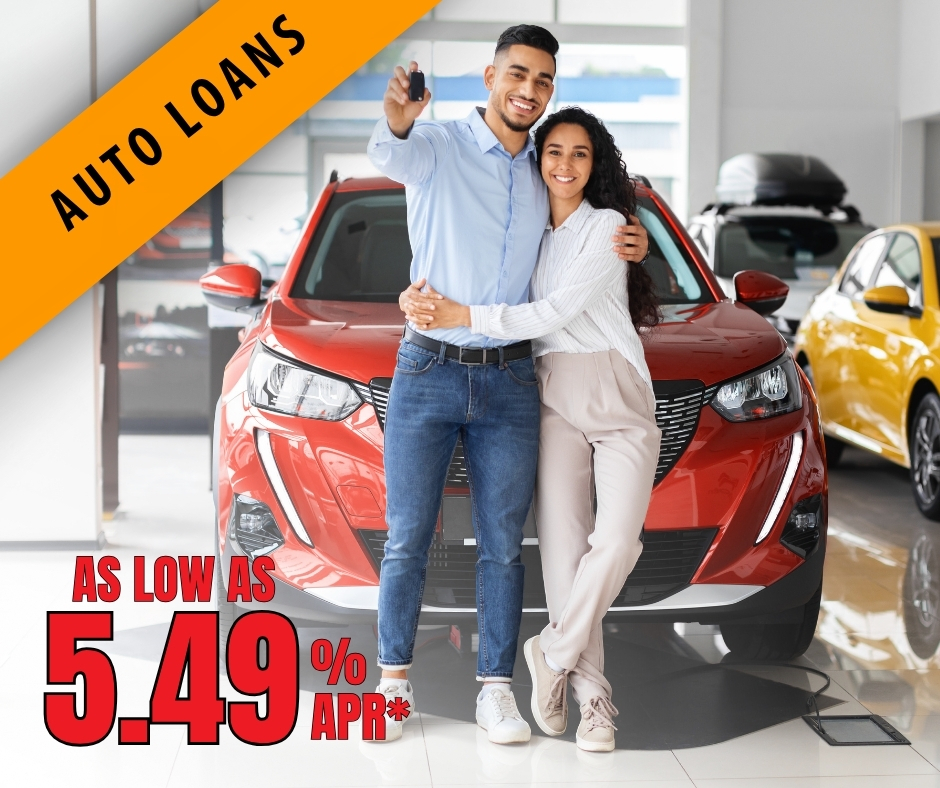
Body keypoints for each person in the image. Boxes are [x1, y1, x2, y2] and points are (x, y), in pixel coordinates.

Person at [367, 25, 649, 744]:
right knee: (405, 539)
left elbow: (581, 226)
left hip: (516, 380)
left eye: (543, 81)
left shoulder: (543, 170)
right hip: (428, 366)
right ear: (490, 75)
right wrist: (398, 116)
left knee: (501, 544)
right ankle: (391, 684)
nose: (529, 90)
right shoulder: (442, 145)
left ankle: (496, 688)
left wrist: (633, 235)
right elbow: (392, 150)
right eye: (517, 75)